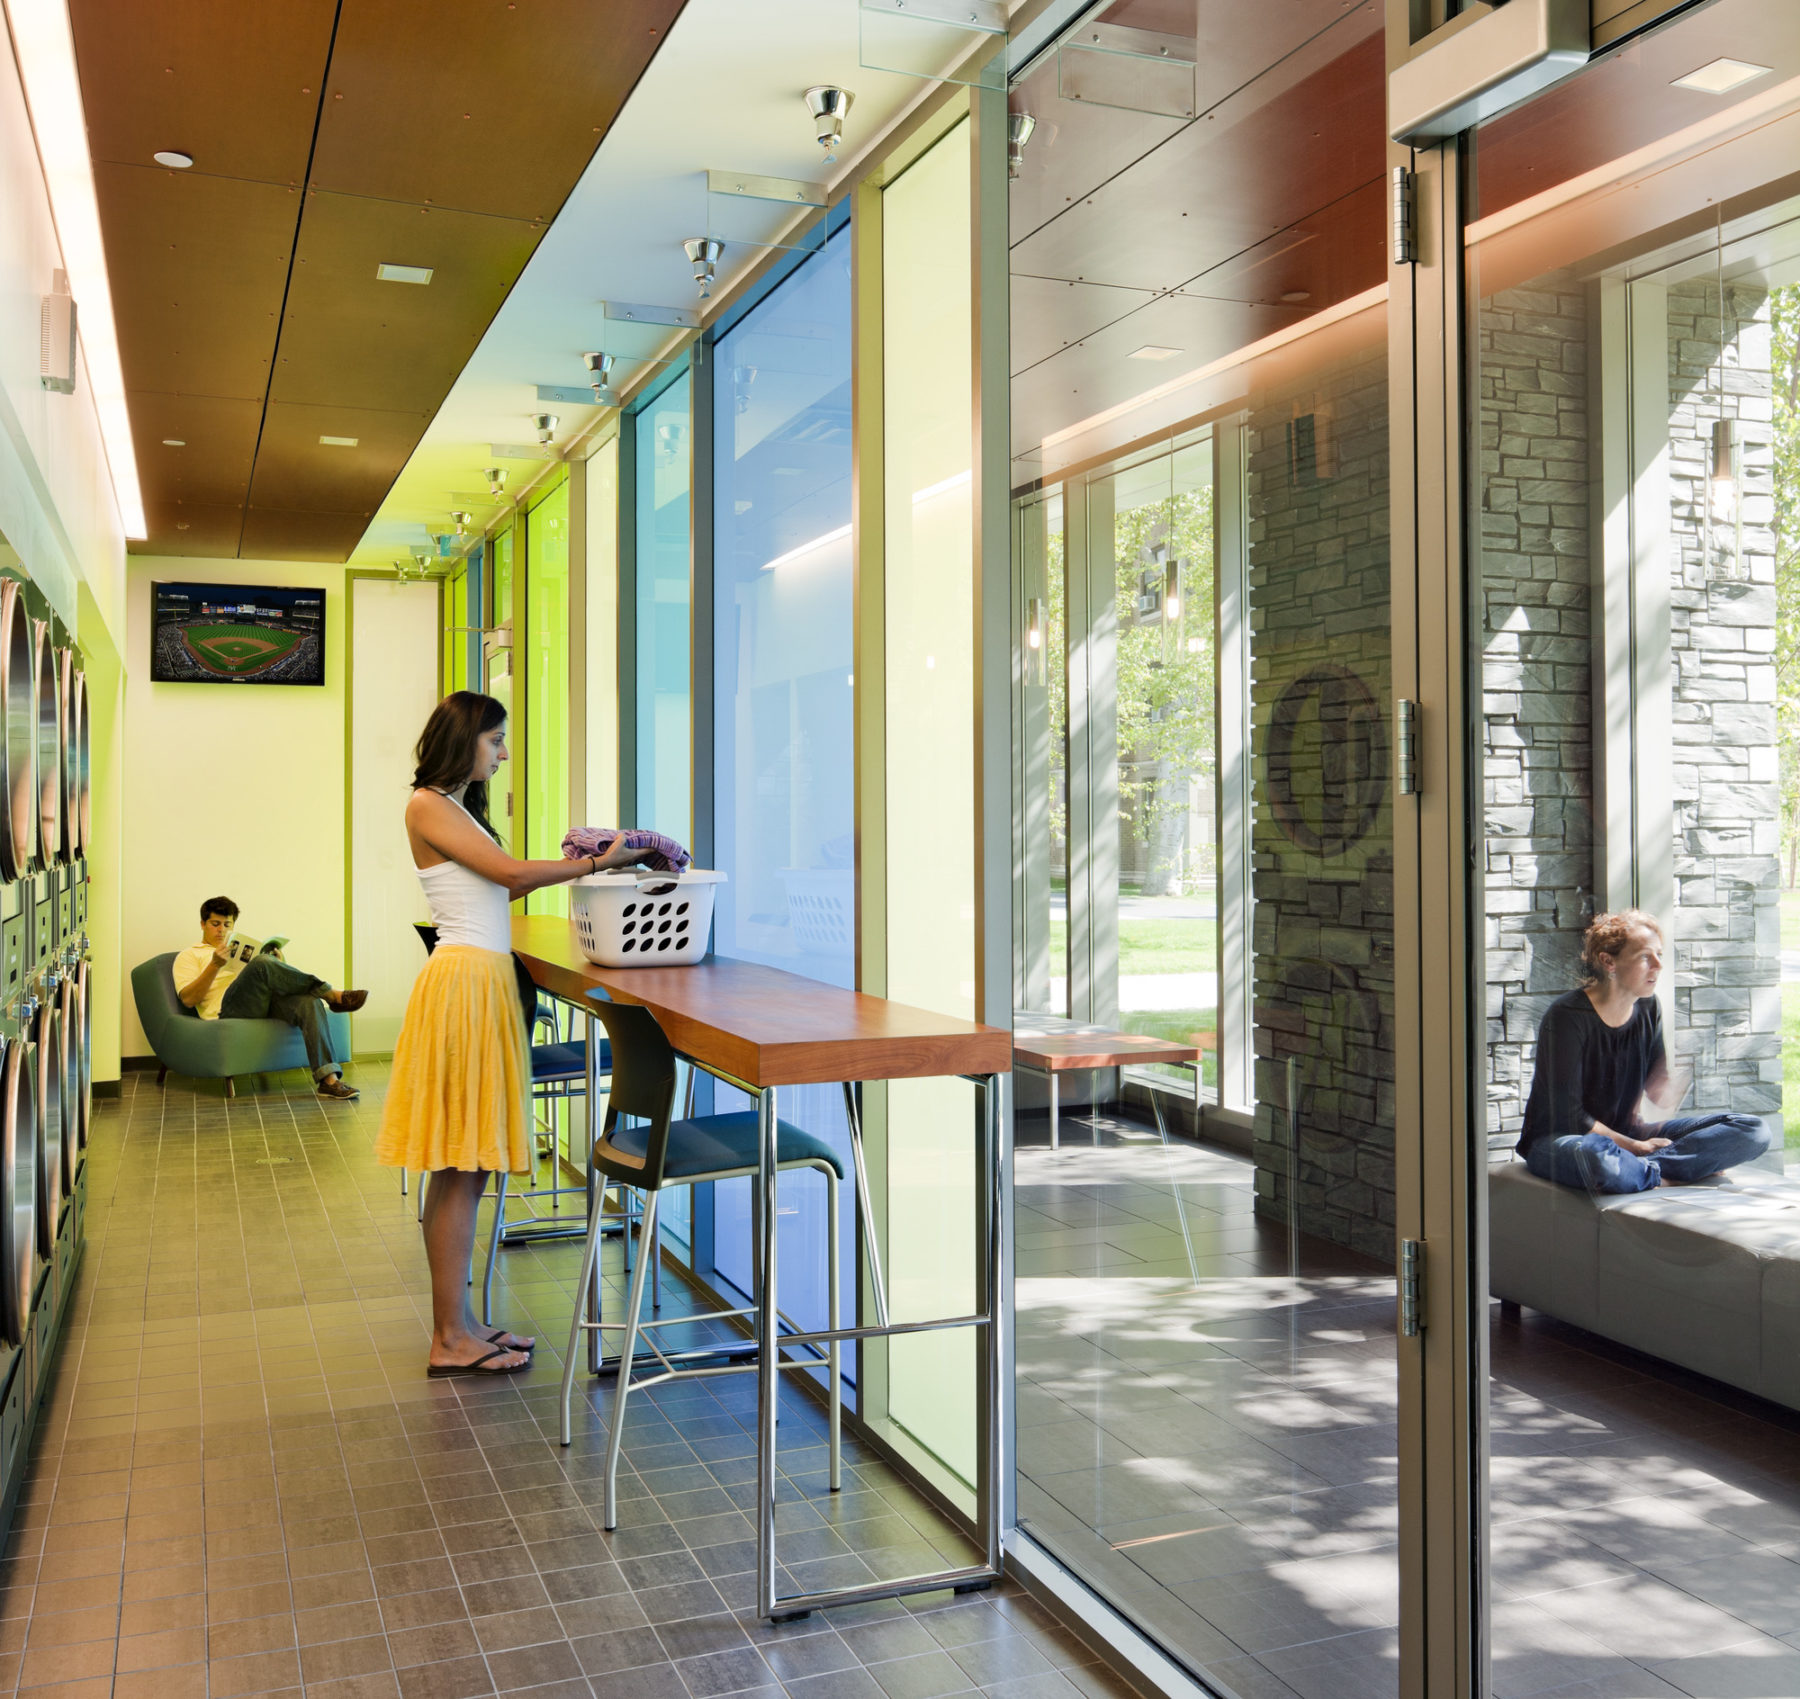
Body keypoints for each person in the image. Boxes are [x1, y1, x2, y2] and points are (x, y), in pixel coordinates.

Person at [374, 690, 656, 1377]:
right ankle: (449, 1337)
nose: (502, 753)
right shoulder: (427, 804)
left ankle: (462, 1324)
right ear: (464, 738)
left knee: (461, 1167)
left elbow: (504, 887)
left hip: (479, 978)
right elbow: (508, 874)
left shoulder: (453, 808)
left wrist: (580, 857)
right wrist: (601, 862)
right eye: (496, 740)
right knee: (461, 1166)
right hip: (467, 982)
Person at [1517, 908, 1772, 1193]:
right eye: (1644, 957)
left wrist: (1680, 1074)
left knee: (1752, 1130)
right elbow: (1570, 1116)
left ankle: (1645, 1172)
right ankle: (1670, 1173)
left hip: (1627, 1134)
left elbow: (1657, 1093)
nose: (1658, 965)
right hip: (1561, 1140)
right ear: (1608, 961)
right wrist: (1637, 1147)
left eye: (1659, 955)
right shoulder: (1567, 1015)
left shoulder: (1649, 1007)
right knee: (1597, 1159)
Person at [173, 897, 368, 1100]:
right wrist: (214, 965)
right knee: (260, 963)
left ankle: (329, 1081)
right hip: (227, 1010)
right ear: (203, 924)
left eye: (227, 924)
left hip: (261, 1002)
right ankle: (331, 993)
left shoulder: (236, 949)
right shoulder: (189, 956)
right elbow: (188, 999)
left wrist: (280, 964)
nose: (221, 930)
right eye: (215, 924)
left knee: (309, 1003)